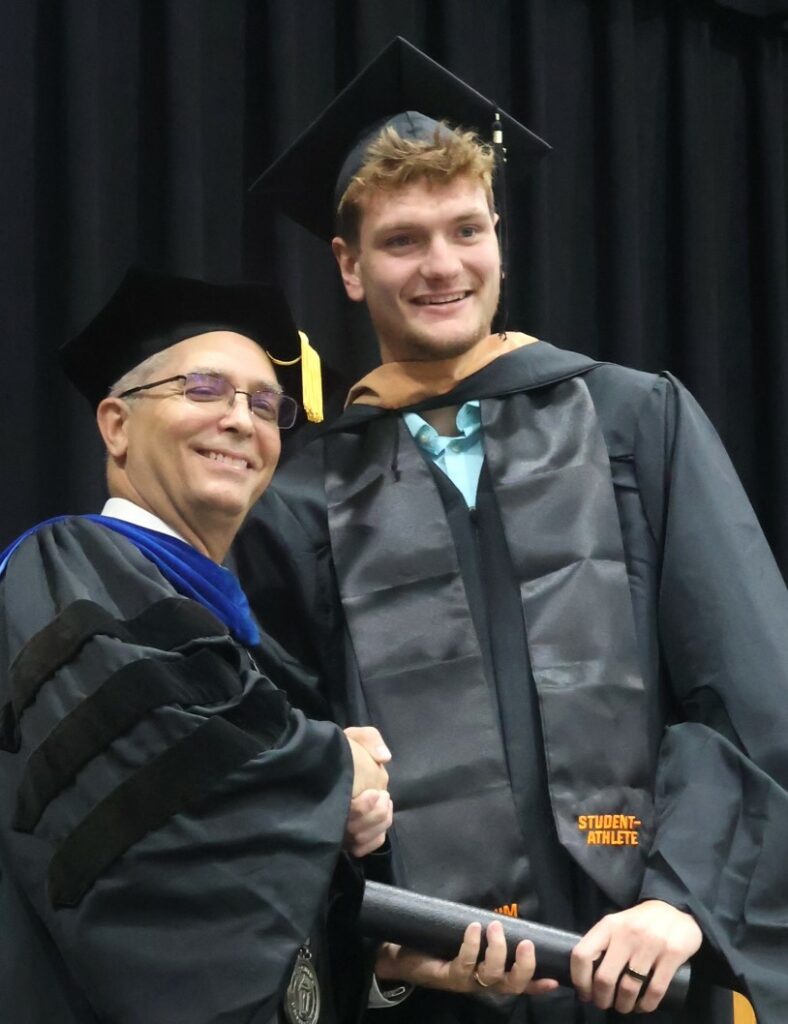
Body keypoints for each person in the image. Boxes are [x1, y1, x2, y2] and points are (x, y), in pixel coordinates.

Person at [233, 37, 788, 1024]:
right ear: (348, 266)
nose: (442, 265)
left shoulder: (633, 423)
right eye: (403, 241)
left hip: (652, 976)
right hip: (438, 1000)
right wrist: (388, 953)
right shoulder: (300, 497)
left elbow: (749, 693)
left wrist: (680, 903)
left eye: (465, 229)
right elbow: (285, 777)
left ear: (499, 234)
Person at [0, 267, 400, 1024]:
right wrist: (330, 771)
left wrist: (346, 850)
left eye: (265, 404)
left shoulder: (248, 643)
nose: (242, 421)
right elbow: (145, 805)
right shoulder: (65, 571)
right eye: (205, 389)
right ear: (116, 426)